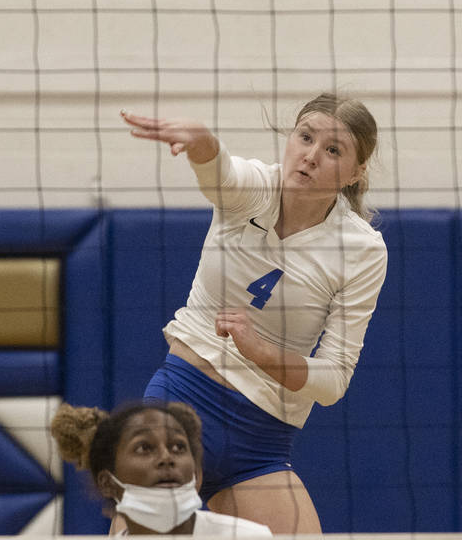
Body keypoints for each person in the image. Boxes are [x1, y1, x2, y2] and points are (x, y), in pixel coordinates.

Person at [120, 93, 387, 534]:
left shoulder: (362, 250)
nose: (311, 156)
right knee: (152, 528)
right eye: (305, 137)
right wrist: (201, 142)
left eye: (333, 149)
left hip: (261, 440)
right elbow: (219, 172)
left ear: (356, 173)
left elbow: (334, 380)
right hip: (181, 409)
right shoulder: (255, 190)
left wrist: (262, 352)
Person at [50, 400, 272, 536]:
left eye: (178, 447)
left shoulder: (247, 536)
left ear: (196, 472)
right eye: (144, 448)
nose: (167, 458)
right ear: (108, 483)